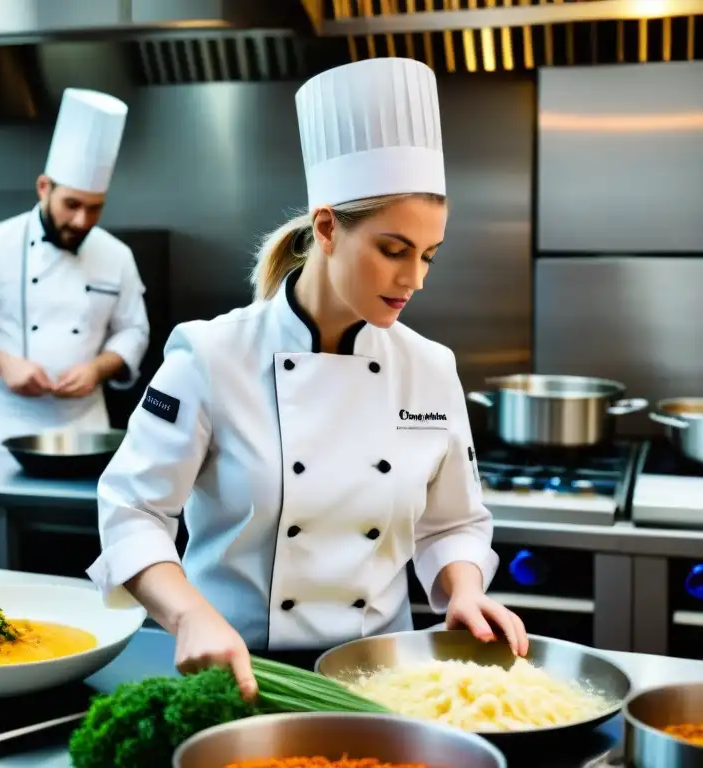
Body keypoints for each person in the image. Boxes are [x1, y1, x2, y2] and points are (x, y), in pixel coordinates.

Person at [88, 57, 528, 700]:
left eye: (429, 255)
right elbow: (131, 511)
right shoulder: (212, 355)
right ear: (327, 227)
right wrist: (187, 614)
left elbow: (454, 522)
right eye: (393, 249)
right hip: (235, 672)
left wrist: (463, 588)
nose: (415, 280)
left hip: (383, 679)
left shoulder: (430, 368)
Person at [0, 88, 150, 450]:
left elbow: (133, 331)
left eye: (95, 208)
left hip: (88, 425)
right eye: (72, 204)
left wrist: (97, 369)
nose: (82, 220)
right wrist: (2, 363)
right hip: (6, 423)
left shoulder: (117, 255)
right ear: (44, 188)